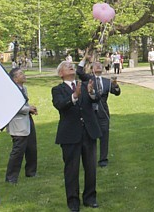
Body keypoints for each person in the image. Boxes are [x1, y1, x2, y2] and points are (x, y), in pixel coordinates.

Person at [52, 61, 101, 211]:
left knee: (91, 168)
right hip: (70, 135)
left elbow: (96, 98)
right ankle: (73, 202)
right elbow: (60, 105)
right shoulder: (57, 90)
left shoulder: (86, 84)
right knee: (72, 170)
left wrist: (92, 92)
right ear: (61, 73)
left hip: (88, 132)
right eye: (67, 66)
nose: (71, 66)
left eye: (71, 65)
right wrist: (74, 96)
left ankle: (90, 197)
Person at [5, 67, 38, 184]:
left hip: (27, 120)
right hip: (18, 123)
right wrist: (28, 109)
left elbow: (23, 105)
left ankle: (31, 172)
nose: (24, 75)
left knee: (32, 147)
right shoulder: (11, 91)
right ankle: (11, 177)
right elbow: (12, 107)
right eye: (20, 74)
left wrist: (30, 110)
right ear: (14, 79)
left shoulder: (24, 88)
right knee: (18, 150)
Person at [90, 61, 121, 167]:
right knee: (90, 137)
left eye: (100, 65)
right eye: (96, 65)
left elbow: (116, 92)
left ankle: (103, 159)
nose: (99, 66)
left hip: (103, 113)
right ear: (92, 69)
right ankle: (90, 159)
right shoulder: (88, 81)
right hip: (90, 113)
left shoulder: (107, 82)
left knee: (104, 136)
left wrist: (116, 85)